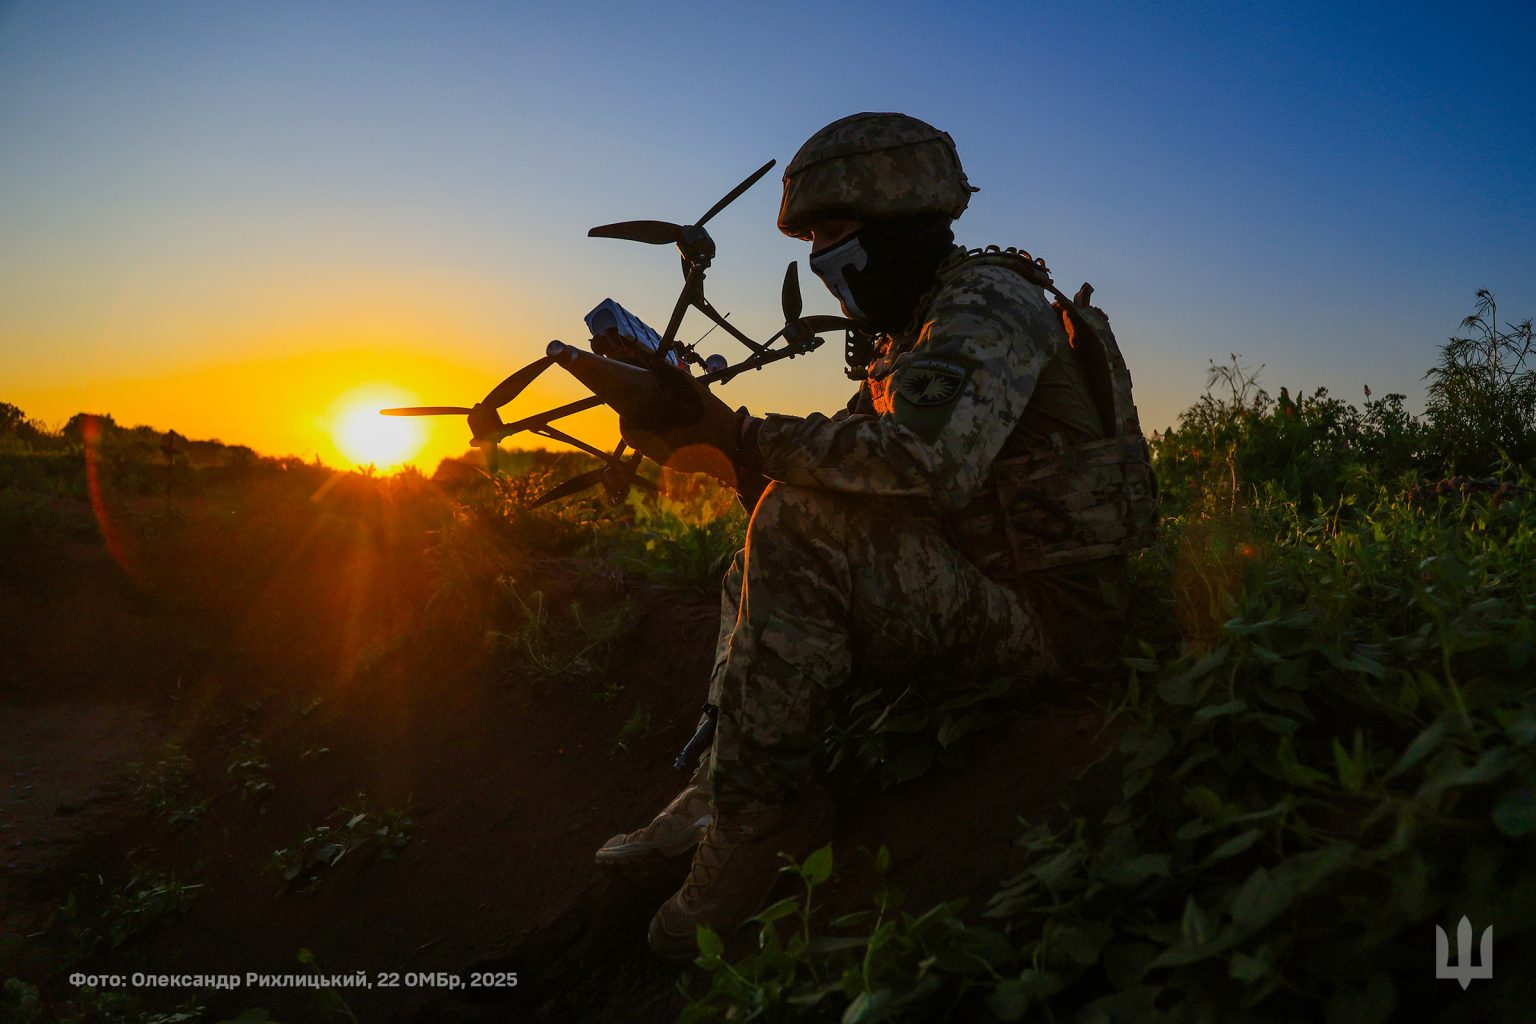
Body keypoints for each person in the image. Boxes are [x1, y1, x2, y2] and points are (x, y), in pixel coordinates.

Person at [597, 112, 1158, 958]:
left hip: (1054, 623)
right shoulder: (924, 323)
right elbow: (848, 460)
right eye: (812, 236)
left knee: (794, 519)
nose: (822, 259)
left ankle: (767, 816)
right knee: (766, 530)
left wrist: (743, 432)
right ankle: (723, 785)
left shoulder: (988, 303)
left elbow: (924, 466)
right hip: (990, 585)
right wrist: (701, 437)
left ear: (899, 219)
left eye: (835, 232)